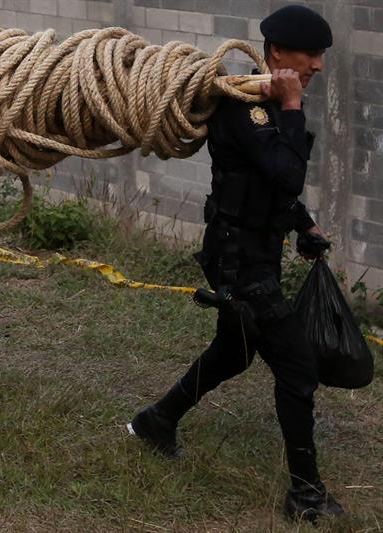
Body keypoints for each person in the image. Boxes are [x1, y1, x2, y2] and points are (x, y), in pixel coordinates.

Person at [127, 5, 344, 524]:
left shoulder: (266, 106)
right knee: (297, 368)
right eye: (309, 54)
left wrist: (304, 225)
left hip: (254, 253)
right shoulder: (248, 108)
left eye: (320, 55)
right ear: (275, 53)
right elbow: (286, 173)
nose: (317, 65)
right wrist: (292, 108)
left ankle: (157, 421)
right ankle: (307, 494)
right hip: (239, 262)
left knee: (234, 351)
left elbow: (271, 189)